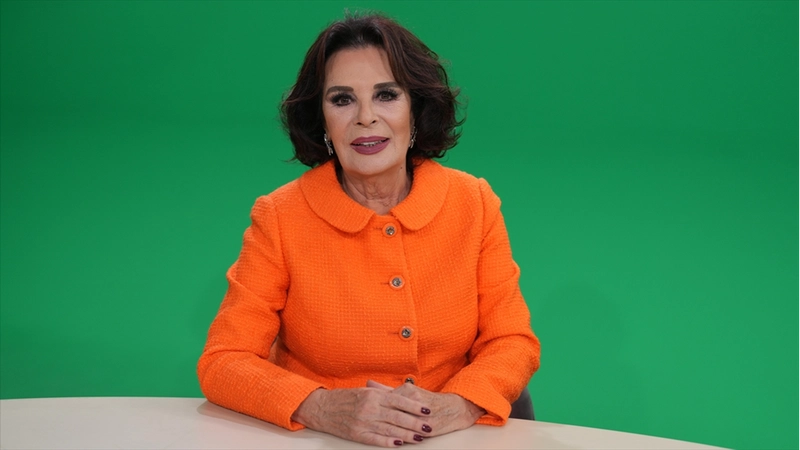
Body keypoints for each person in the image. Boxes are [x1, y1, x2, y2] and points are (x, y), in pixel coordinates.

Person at [197, 12, 540, 448]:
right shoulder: (280, 216)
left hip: (454, 437)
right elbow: (223, 360)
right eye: (342, 99)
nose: (365, 117)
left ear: (415, 108)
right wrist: (321, 407)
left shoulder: (473, 201)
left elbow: (511, 341)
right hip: (324, 440)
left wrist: (459, 404)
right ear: (321, 118)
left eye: (386, 95)